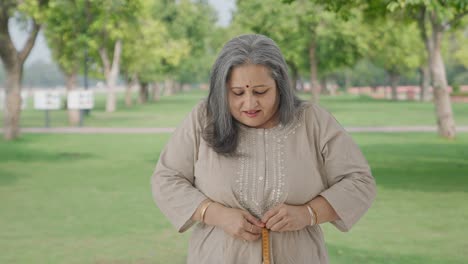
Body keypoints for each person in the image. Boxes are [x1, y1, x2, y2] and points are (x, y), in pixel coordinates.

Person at [151, 34, 376, 264]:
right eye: (237, 93)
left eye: (260, 92)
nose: (249, 104)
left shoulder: (312, 121)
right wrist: (215, 214)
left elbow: (359, 182)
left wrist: (309, 213)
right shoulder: (204, 119)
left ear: (280, 86)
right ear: (222, 89)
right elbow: (166, 179)